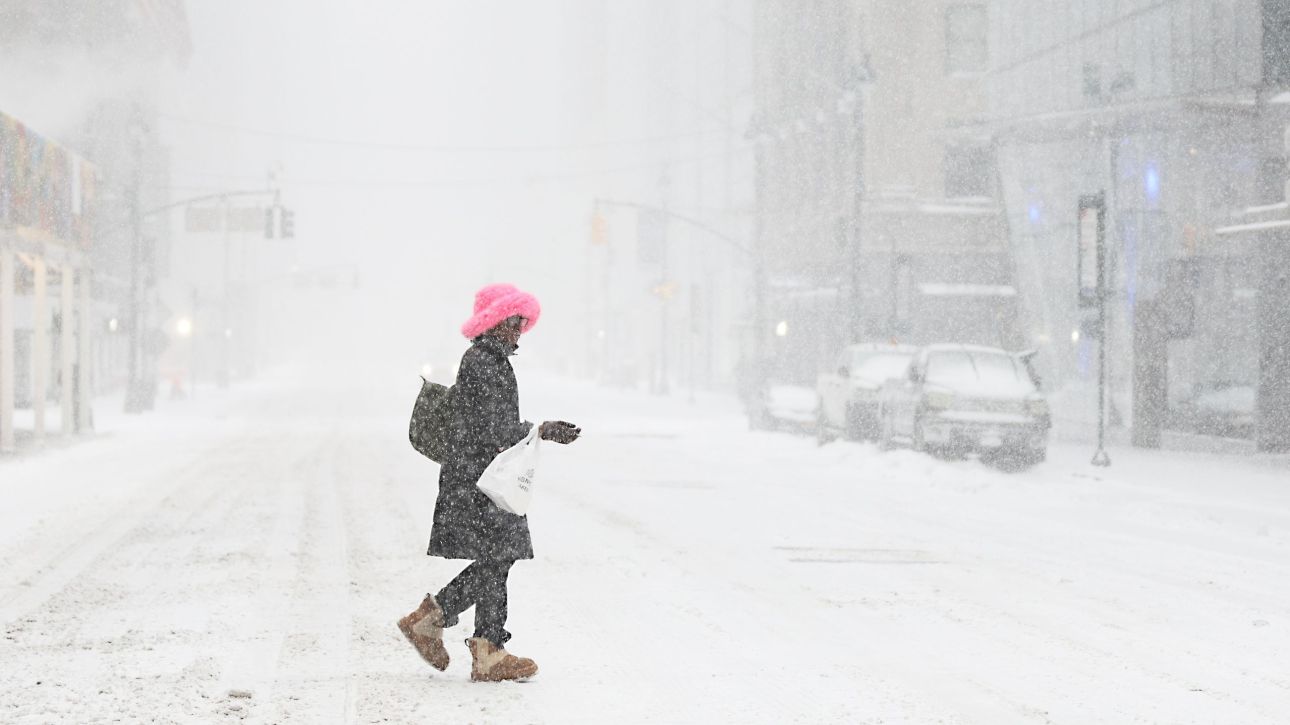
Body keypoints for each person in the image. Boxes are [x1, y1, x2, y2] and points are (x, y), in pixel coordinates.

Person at [398, 283, 580, 682]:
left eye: (523, 323)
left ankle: (485, 648)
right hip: (478, 479)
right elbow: (492, 430)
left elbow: (490, 428)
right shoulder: (482, 361)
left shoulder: (492, 361)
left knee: (497, 558)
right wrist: (541, 430)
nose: (520, 330)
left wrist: (536, 432)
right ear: (496, 321)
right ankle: (452, 629)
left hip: (481, 475)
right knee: (499, 556)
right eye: (516, 321)